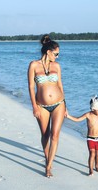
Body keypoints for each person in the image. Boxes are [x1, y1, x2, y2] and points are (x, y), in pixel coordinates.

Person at [28, 34, 66, 178]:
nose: (57, 56)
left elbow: (60, 86)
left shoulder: (56, 66)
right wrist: (34, 107)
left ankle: (49, 166)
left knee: (55, 135)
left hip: (59, 104)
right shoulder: (33, 65)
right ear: (48, 52)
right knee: (45, 135)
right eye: (56, 54)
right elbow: (31, 87)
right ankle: (47, 158)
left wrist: (65, 106)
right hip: (41, 106)